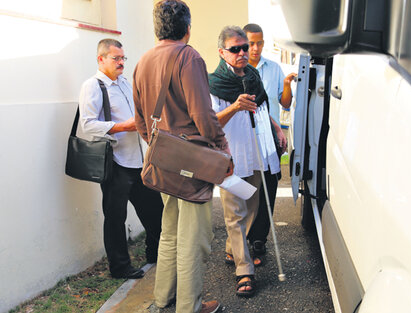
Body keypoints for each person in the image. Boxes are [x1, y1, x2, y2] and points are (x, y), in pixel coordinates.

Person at [133, 1, 231, 313]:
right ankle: (189, 307)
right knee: (194, 240)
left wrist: (162, 146)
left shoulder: (142, 61)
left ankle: (163, 300)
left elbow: (140, 122)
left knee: (170, 234)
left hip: (164, 160)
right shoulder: (188, 57)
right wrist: (222, 148)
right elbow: (203, 114)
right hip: (192, 163)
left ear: (156, 28)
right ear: (187, 28)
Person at [208, 25, 284, 297]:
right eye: (235, 49)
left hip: (256, 153)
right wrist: (234, 106)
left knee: (252, 207)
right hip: (231, 156)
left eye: (244, 47)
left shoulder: (252, 76)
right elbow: (209, 122)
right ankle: (244, 270)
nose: (242, 53)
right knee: (234, 214)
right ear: (222, 52)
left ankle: (232, 248)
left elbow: (261, 106)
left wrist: (276, 127)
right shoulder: (214, 83)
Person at [78, 38, 163, 279]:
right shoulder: (93, 86)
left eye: (123, 58)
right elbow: (88, 125)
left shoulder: (126, 83)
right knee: (116, 217)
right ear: (101, 59)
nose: (121, 62)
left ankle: (155, 252)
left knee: (154, 210)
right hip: (115, 162)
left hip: (139, 160)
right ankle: (119, 267)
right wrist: (123, 126)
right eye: (116, 58)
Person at [243, 23, 296, 259]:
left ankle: (259, 239)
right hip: (245, 139)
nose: (255, 48)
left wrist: (286, 86)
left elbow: (284, 103)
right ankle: (241, 238)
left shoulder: (273, 68)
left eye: (259, 42)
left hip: (271, 138)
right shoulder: (237, 69)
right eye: (251, 43)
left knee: (268, 189)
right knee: (245, 189)